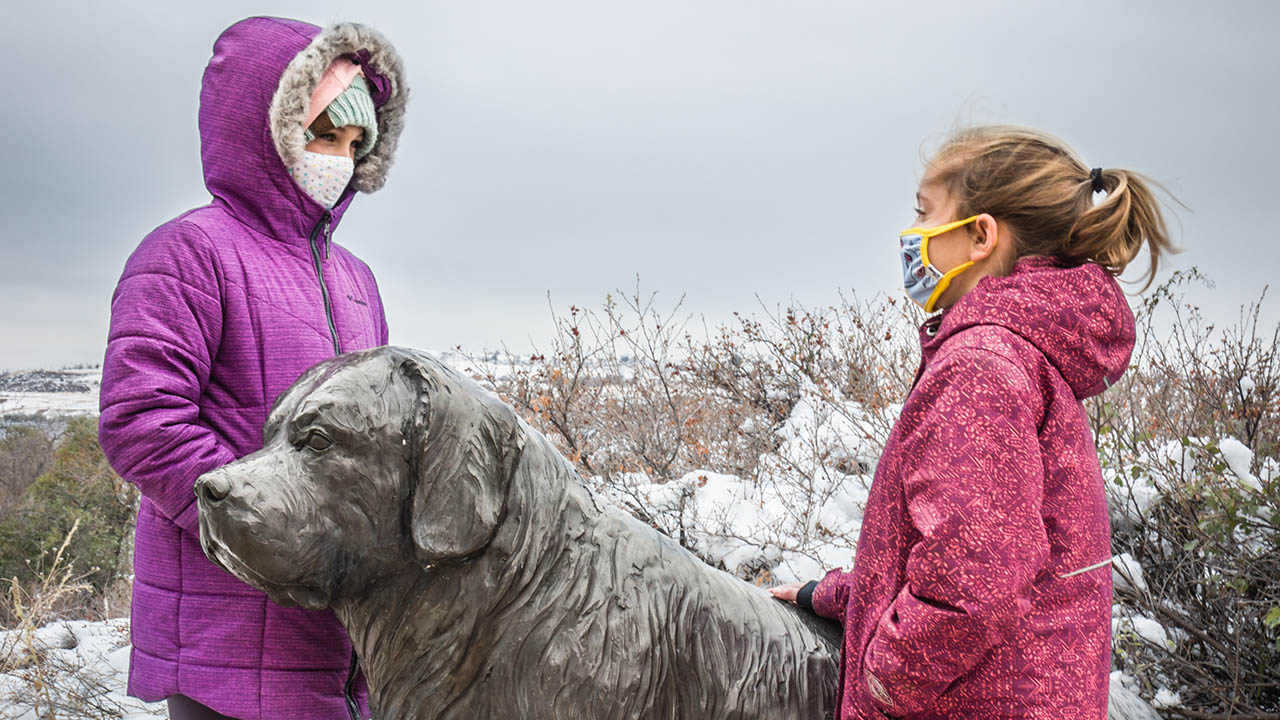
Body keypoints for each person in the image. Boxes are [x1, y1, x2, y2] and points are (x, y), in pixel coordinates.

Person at [771, 125, 1175, 719]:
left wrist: (883, 682)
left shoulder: (981, 367)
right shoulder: (1023, 357)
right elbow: (988, 555)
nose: (911, 237)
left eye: (925, 215)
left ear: (980, 234)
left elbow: (974, 585)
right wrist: (836, 595)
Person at [98, 16, 407, 720]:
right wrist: (277, 523)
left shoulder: (356, 278)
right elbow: (142, 421)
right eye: (323, 134)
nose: (340, 159)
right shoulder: (188, 253)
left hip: (337, 625)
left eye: (356, 143)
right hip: (225, 623)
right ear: (263, 127)